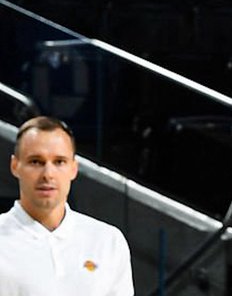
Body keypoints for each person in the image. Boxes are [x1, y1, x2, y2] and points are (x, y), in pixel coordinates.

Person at [0, 117, 133, 296]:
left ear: (73, 168)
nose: (48, 174)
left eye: (59, 162)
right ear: (15, 166)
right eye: (36, 162)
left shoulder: (108, 241)